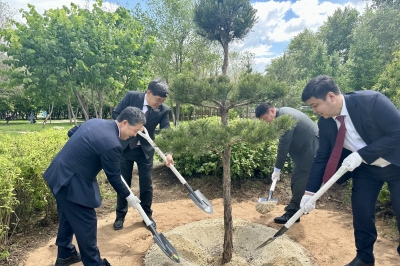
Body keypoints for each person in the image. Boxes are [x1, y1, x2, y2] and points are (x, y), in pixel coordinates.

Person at [300, 75, 400, 266]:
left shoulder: (372, 101)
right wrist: (309, 192)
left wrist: (362, 154)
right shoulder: (326, 122)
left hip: (397, 165)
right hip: (366, 171)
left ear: (331, 97)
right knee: (361, 212)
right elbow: (322, 157)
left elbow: (398, 133)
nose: (314, 111)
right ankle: (364, 257)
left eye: (315, 105)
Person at [43, 107, 146, 266]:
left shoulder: (96, 122)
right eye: (135, 130)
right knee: (87, 223)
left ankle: (65, 254)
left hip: (57, 173)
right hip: (69, 182)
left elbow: (73, 132)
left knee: (68, 216)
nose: (134, 135)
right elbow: (114, 177)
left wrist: (85, 155)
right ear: (124, 123)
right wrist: (130, 197)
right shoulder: (112, 144)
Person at [112, 78, 174, 231]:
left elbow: (166, 132)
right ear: (148, 93)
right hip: (125, 148)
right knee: (123, 183)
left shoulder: (163, 110)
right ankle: (120, 215)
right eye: (158, 99)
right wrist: (129, 127)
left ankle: (147, 215)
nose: (159, 103)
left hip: (145, 151)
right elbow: (116, 113)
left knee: (146, 185)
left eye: (163, 100)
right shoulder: (131, 97)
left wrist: (168, 153)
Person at [255, 102, 319, 224]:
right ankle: (295, 210)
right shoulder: (283, 113)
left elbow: (284, 145)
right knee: (296, 180)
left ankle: (292, 214)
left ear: (272, 111)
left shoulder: (286, 117)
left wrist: (277, 169)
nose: (264, 122)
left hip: (310, 152)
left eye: (264, 119)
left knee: (299, 183)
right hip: (304, 152)